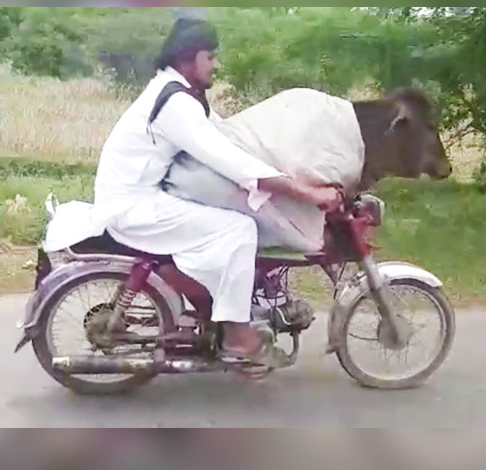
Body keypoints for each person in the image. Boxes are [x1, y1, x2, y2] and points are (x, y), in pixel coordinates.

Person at [92, 18, 342, 364]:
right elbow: (232, 161)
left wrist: (294, 173)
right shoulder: (175, 104)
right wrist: (307, 194)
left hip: (142, 198)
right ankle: (238, 334)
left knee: (230, 222)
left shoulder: (177, 93)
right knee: (240, 228)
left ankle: (222, 307)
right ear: (188, 58)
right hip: (135, 207)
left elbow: (228, 137)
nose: (215, 65)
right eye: (210, 57)